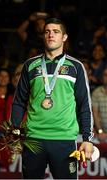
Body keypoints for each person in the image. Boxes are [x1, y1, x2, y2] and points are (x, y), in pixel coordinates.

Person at [10, 18, 94, 179]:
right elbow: (19, 102)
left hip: (64, 140)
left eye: (56, 32)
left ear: (64, 37)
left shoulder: (76, 67)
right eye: (47, 31)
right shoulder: (30, 65)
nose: (50, 35)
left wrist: (87, 139)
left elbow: (84, 105)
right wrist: (15, 132)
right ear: (43, 36)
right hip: (33, 139)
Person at [92, 67, 107, 142]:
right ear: (102, 78)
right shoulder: (96, 92)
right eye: (105, 75)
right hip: (101, 133)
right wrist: (100, 131)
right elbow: (95, 114)